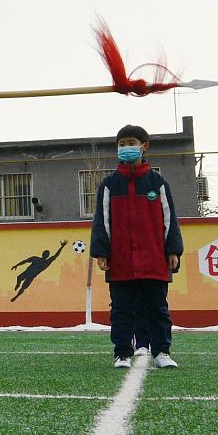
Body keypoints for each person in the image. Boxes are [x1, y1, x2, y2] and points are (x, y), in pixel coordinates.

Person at [90, 124, 183, 370]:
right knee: (121, 310)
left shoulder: (158, 183)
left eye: (131, 143)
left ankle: (162, 351)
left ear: (144, 146)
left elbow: (169, 219)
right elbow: (102, 220)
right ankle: (122, 353)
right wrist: (101, 251)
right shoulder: (109, 185)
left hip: (153, 258)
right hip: (120, 260)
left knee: (158, 308)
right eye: (121, 144)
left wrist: (172, 250)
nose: (126, 148)